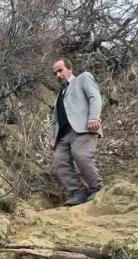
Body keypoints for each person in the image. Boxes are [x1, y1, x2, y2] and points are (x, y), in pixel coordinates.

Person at [48, 59, 104, 206]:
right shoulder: (58, 95)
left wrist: (94, 117)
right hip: (63, 136)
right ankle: (78, 193)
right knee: (60, 163)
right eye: (55, 73)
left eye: (60, 70)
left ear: (70, 69)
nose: (58, 75)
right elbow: (55, 120)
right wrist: (52, 138)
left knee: (82, 156)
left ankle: (97, 188)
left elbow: (95, 97)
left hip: (83, 128)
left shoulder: (83, 78)